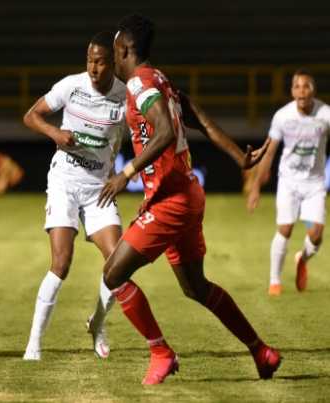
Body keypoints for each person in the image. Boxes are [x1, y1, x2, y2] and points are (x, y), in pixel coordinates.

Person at [90, 14, 281, 384]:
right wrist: (238, 156)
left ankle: (161, 352)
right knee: (196, 287)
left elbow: (163, 132)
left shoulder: (139, 85)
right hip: (187, 195)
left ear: (125, 49)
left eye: (114, 52)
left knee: (113, 274)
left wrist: (125, 174)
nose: (113, 60)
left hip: (170, 200)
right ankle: (261, 351)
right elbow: (194, 114)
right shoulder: (159, 78)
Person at [22, 31, 171, 368]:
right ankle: (34, 342)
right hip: (64, 181)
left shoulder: (125, 98)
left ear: (113, 62)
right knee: (61, 264)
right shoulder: (71, 86)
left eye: (100, 60)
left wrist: (139, 179)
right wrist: (56, 133)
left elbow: (148, 140)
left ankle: (98, 327)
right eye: (89, 59)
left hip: (99, 189)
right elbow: (31, 115)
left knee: (116, 264)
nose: (93, 66)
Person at [247, 70, 330, 296]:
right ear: (292, 91)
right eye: (297, 86)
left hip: (315, 182)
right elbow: (270, 152)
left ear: (313, 90)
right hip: (289, 181)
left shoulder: (325, 114)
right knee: (285, 228)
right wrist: (255, 187)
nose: (301, 91)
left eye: (306, 86)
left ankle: (302, 257)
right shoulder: (283, 116)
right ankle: (275, 281)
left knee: (316, 235)